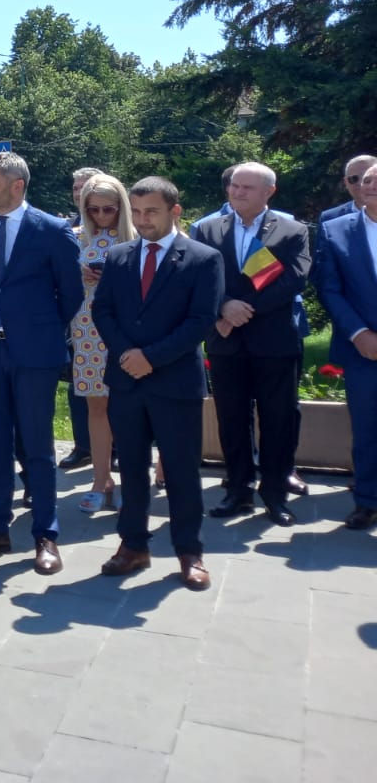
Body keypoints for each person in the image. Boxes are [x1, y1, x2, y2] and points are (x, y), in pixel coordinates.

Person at [0, 151, 83, 575]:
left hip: (34, 354)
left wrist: (36, 327)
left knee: (38, 445)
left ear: (17, 185)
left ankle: (45, 534)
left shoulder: (53, 230)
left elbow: (71, 295)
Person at [91, 177, 224, 590]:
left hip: (175, 382)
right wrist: (127, 354)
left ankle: (189, 552)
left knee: (182, 471)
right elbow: (103, 311)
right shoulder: (118, 256)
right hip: (127, 382)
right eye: (139, 211)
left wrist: (151, 357)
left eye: (153, 212)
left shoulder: (203, 258)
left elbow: (200, 321)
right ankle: (133, 546)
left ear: (174, 211)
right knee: (131, 468)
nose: (144, 220)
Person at [190, 162, 311, 526]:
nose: (237, 192)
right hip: (226, 341)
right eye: (235, 186)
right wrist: (224, 307)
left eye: (247, 187)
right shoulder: (208, 229)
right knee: (231, 419)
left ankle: (274, 495)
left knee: (277, 419)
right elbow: (196, 277)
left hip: (274, 341)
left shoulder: (292, 230)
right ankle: (238, 491)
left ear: (268, 192)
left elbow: (294, 279)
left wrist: (246, 309)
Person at [314, 160, 377, 530]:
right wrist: (359, 333)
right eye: (366, 180)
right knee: (367, 427)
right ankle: (367, 501)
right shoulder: (336, 229)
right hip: (362, 349)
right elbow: (330, 288)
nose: (370, 185)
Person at [73, 174, 136, 513]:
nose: (100, 215)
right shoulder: (77, 238)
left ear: (121, 207)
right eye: (92, 208)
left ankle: (131, 477)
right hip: (86, 332)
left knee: (129, 410)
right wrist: (77, 275)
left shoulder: (137, 238)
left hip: (126, 334)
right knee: (96, 409)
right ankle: (101, 479)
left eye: (107, 209)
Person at [58, 167, 108, 470]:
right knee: (81, 391)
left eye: (85, 187)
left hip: (116, 328)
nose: (78, 192)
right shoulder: (68, 229)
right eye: (76, 187)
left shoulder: (125, 231)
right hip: (80, 327)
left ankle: (111, 451)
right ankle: (84, 446)